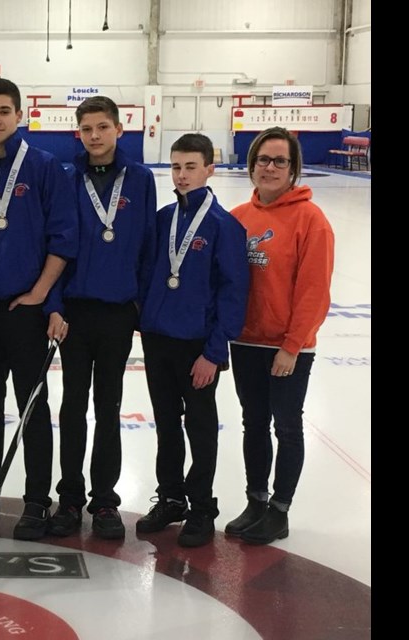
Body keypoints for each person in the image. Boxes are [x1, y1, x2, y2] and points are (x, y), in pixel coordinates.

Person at [0, 78, 78, 541]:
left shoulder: (45, 168)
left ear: (19, 115)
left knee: (32, 409)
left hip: (28, 309)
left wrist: (43, 294)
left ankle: (38, 500)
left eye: (5, 110)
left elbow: (63, 238)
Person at [45, 96, 157, 539]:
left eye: (102, 127)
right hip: (73, 312)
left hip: (116, 313)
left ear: (118, 129)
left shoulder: (142, 180)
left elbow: (148, 246)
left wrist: (139, 308)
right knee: (72, 407)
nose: (95, 136)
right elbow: (51, 244)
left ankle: (105, 500)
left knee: (108, 407)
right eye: (87, 128)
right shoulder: (65, 177)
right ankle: (70, 498)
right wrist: (53, 303)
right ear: (78, 132)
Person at [135, 133, 249, 547]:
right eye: (177, 167)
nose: (182, 176)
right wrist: (144, 322)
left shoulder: (225, 227)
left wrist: (214, 353)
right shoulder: (163, 219)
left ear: (209, 169)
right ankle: (171, 498)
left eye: (191, 167)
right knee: (166, 424)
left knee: (200, 429)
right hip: (159, 339)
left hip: (198, 346)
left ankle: (201, 507)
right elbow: (148, 273)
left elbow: (233, 294)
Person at [225, 127, 334, 545]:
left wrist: (292, 345)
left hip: (288, 347)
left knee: (286, 427)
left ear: (293, 169)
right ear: (251, 164)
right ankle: (256, 501)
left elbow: (314, 291)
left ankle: (280, 510)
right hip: (246, 342)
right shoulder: (238, 217)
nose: (269, 168)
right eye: (262, 160)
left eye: (279, 161)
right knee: (253, 423)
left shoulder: (311, 220)